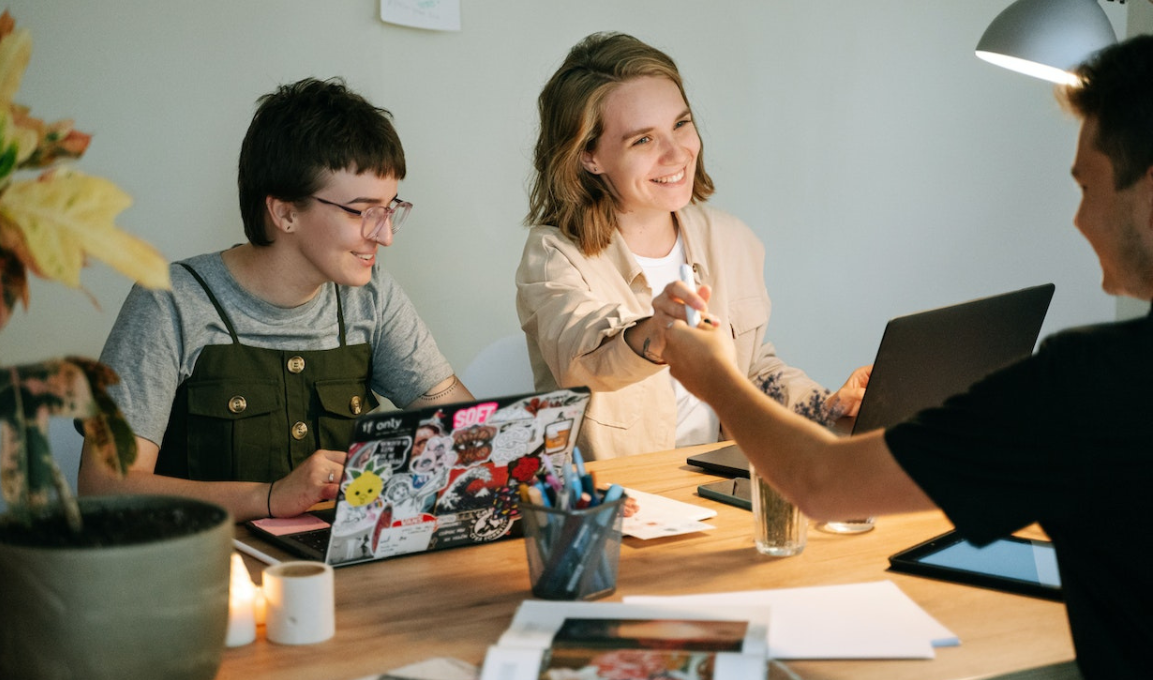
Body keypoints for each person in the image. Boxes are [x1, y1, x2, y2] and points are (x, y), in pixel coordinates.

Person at [661, 34, 1153, 679]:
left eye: (1088, 188)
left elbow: (824, 485)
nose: (1079, 220)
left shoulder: (1093, 383)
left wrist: (712, 374)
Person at [79, 78, 473, 522]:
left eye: (390, 209)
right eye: (363, 211)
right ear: (285, 213)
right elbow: (104, 488)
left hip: (343, 573)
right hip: (205, 573)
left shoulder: (373, 297)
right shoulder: (170, 303)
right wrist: (268, 497)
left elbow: (468, 431)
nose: (384, 234)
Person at [515, 32, 870, 461]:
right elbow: (583, 359)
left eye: (681, 124)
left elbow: (752, 370)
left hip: (718, 485)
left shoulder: (731, 238)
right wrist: (659, 332)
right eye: (642, 139)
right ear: (589, 156)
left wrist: (830, 405)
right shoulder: (554, 256)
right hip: (622, 500)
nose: (677, 153)